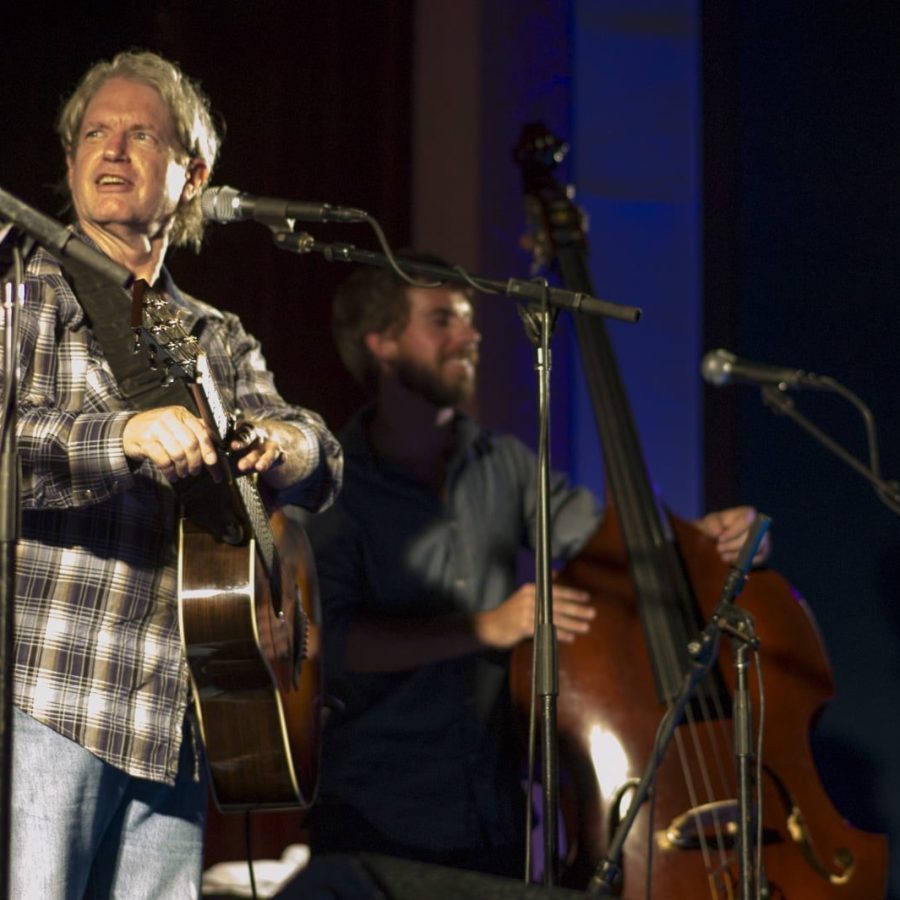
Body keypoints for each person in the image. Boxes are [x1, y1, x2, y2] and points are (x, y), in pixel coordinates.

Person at [300, 260, 770, 879]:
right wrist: (482, 628)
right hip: (374, 823)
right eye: (443, 321)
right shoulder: (334, 481)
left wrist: (708, 542)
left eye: (469, 322)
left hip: (497, 821)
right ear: (381, 344)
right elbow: (323, 642)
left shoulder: (507, 464)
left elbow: (610, 548)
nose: (470, 337)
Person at [7, 50, 343, 898]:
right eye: (95, 132)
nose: (112, 150)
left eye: (141, 134)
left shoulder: (214, 335)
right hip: (52, 701)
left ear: (193, 177)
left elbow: (321, 453)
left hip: (188, 717)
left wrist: (282, 445)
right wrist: (123, 435)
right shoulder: (24, 290)